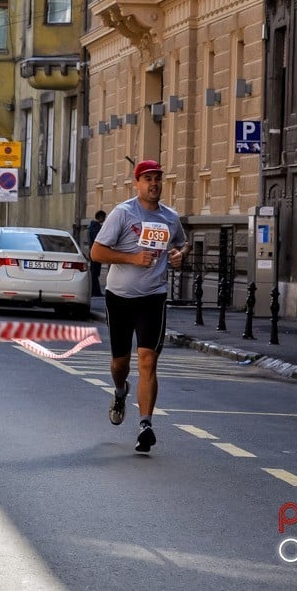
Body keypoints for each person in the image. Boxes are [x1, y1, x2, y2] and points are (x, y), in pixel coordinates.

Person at [90, 159, 188, 453]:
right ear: (137, 183)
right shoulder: (123, 213)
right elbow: (96, 252)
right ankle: (121, 391)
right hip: (119, 297)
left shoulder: (170, 217)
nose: (154, 183)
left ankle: (145, 424)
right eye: (148, 179)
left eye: (158, 178)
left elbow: (183, 243)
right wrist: (133, 258)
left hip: (153, 297)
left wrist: (178, 254)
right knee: (121, 363)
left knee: (148, 360)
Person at [88, 210, 107, 297]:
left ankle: (95, 291)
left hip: (93, 252)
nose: (104, 219)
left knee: (95, 273)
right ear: (100, 217)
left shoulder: (92, 226)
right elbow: (99, 240)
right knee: (95, 273)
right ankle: (95, 292)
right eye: (104, 217)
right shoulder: (95, 227)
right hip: (96, 253)